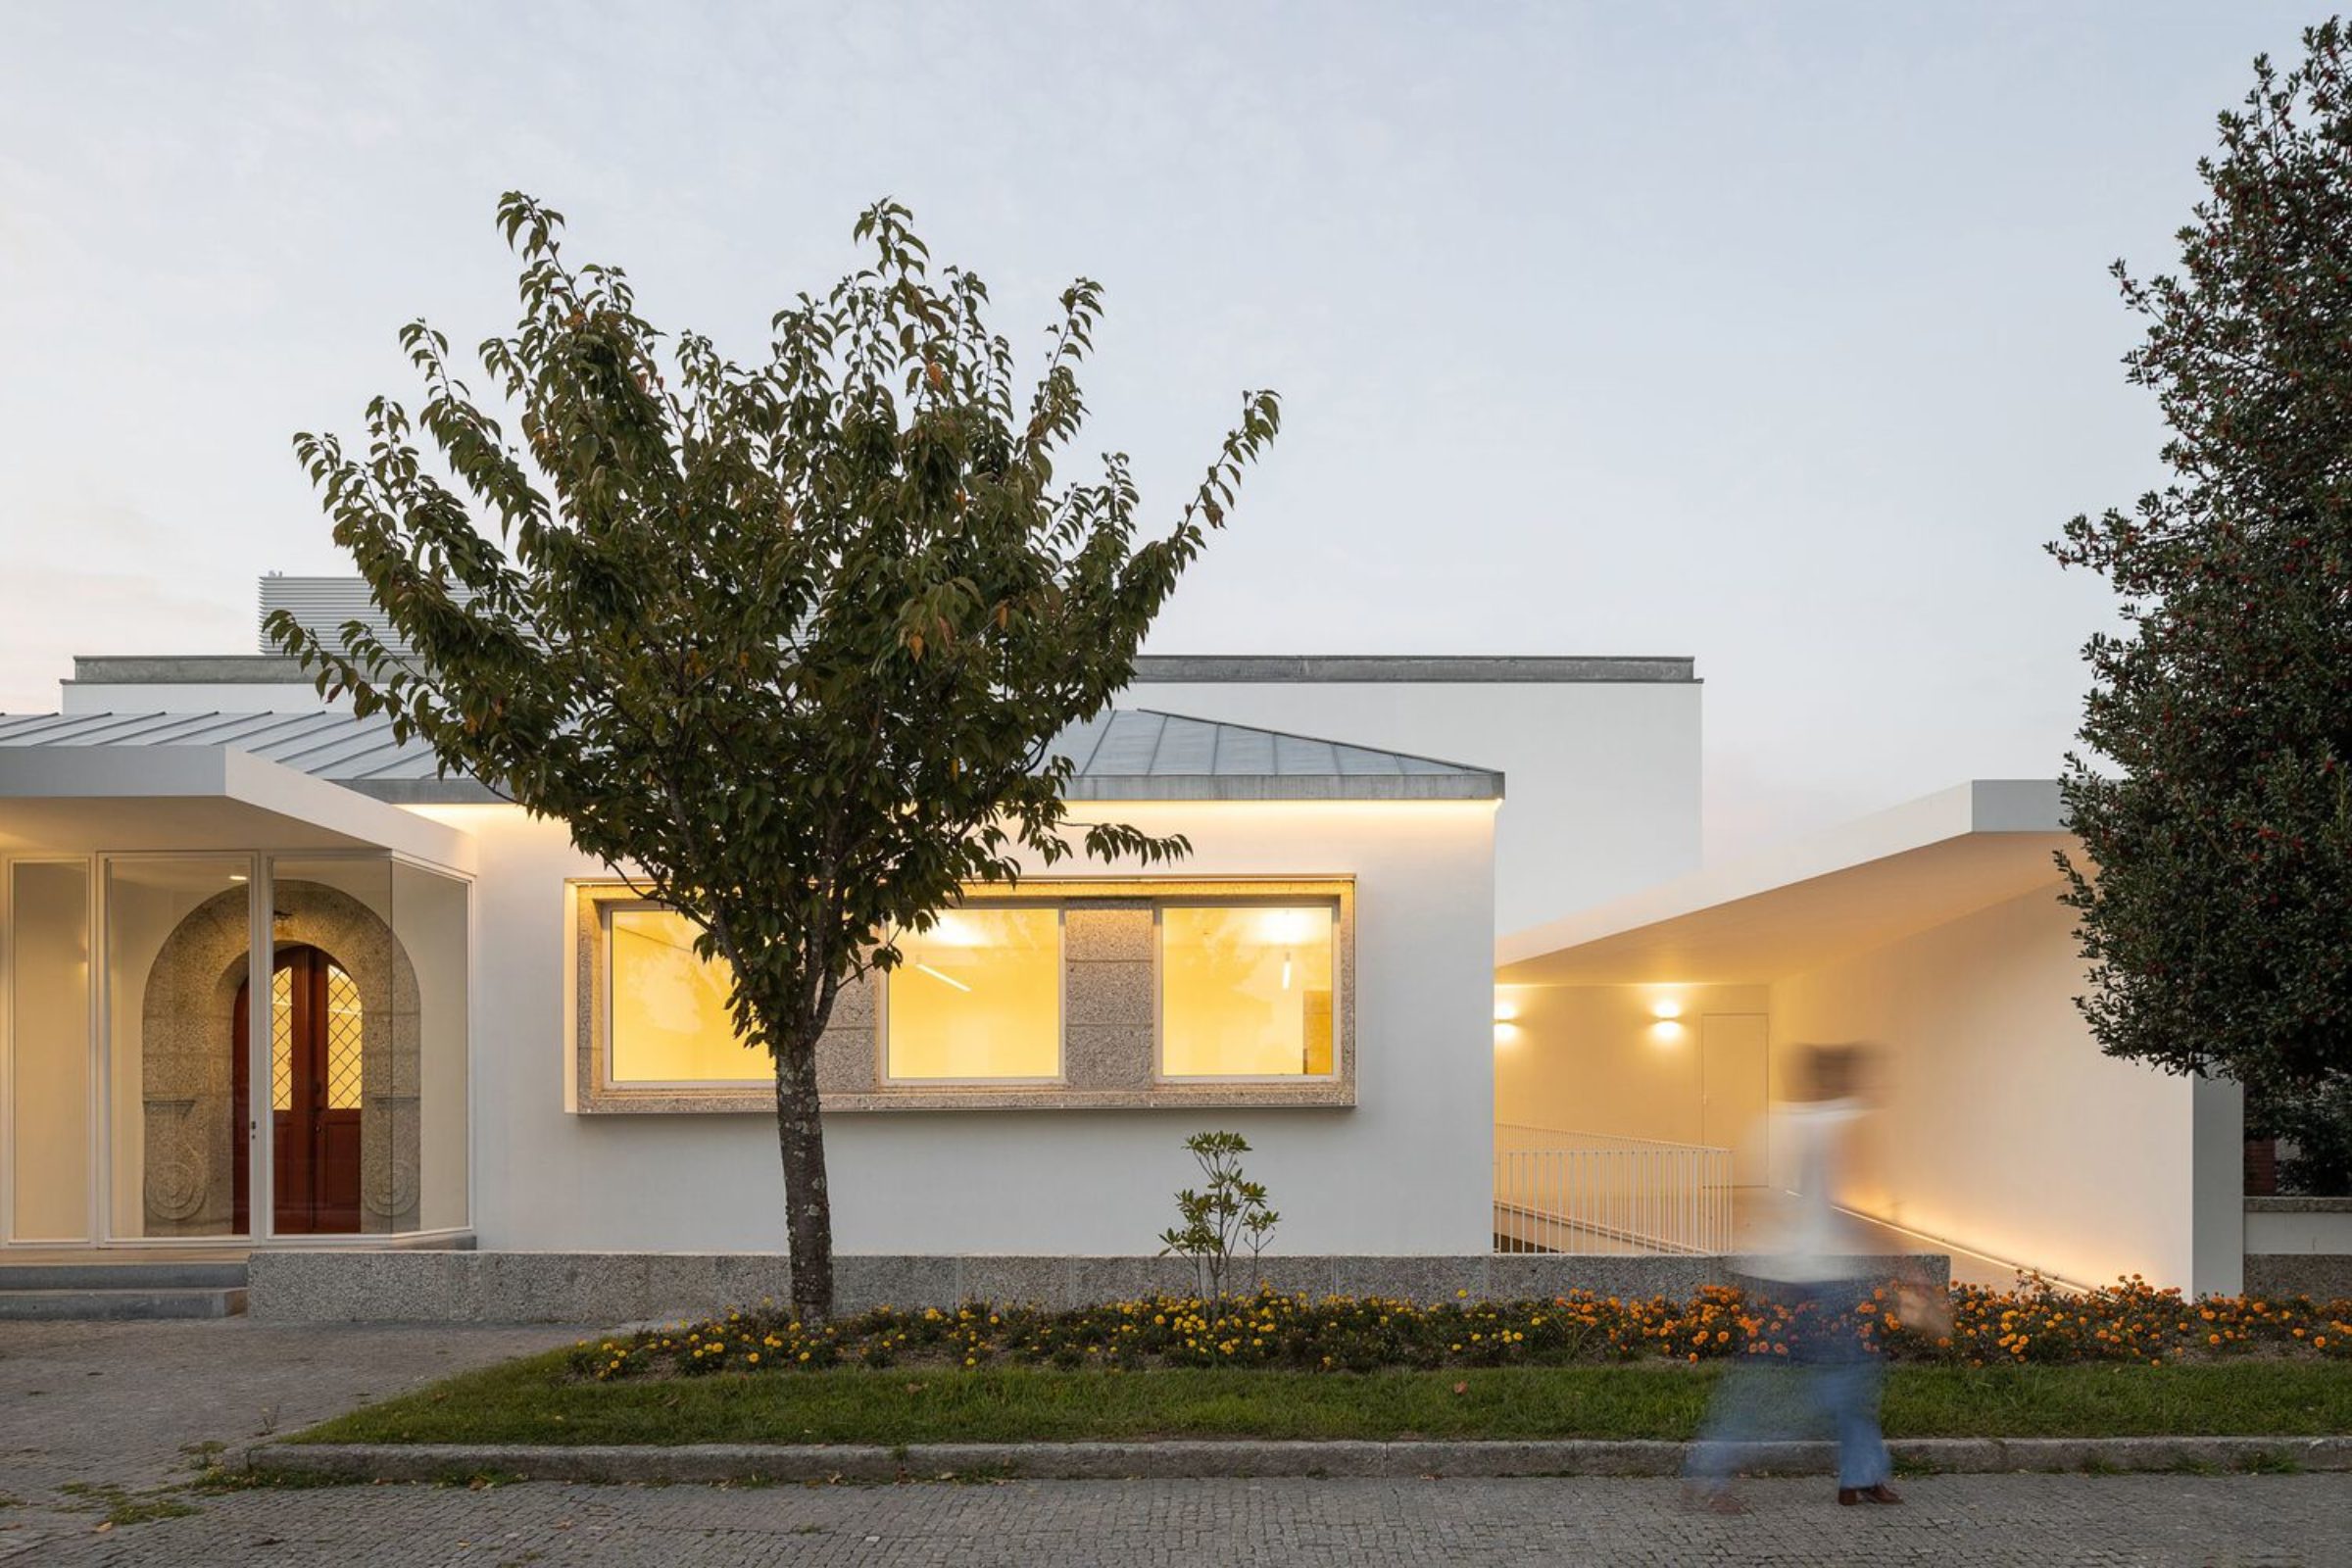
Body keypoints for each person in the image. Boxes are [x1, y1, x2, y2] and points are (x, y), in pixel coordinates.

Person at [1686, 1043, 1908, 1511]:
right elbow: (1856, 1206)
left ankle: (1860, 1475)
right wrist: (1908, 1268)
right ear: (1837, 1079)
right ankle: (1713, 1474)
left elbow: (1747, 1196)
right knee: (1836, 1380)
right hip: (1827, 1276)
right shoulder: (1843, 1121)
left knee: (1812, 1378)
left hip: (1778, 1273)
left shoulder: (1772, 1121)